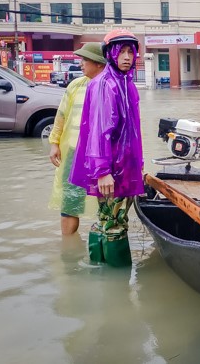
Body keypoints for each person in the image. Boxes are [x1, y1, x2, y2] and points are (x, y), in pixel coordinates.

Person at [70, 29, 144, 267]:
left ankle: (98, 267)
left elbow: (132, 132)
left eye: (130, 52)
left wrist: (138, 166)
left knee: (105, 218)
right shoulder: (106, 84)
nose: (126, 57)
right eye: (120, 51)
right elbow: (100, 131)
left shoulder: (126, 83)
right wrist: (102, 171)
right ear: (109, 54)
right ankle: (118, 277)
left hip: (124, 167)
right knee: (116, 222)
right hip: (112, 169)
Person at [48, 42, 106, 235]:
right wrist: (55, 144)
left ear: (98, 63)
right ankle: (69, 250)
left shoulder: (110, 87)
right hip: (74, 153)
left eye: (85, 60)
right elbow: (61, 116)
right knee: (70, 202)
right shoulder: (75, 86)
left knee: (106, 205)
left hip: (102, 158)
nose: (81, 64)